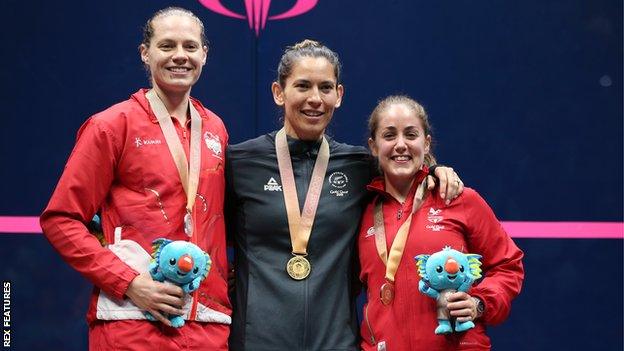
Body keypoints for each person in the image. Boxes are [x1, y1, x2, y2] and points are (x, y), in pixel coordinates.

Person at [225, 40, 464, 350]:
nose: (315, 98)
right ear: (278, 92)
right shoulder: (240, 162)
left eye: (325, 88)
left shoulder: (360, 167)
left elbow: (405, 169)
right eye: (302, 86)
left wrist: (435, 171)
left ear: (338, 95)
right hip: (256, 341)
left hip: (336, 342)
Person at [40, 7, 231, 350]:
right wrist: (129, 283)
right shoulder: (112, 125)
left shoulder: (215, 128)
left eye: (190, 46)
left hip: (206, 324)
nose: (179, 56)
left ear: (204, 54)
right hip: (132, 323)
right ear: (145, 53)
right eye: (166, 45)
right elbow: (61, 220)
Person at [358, 95, 524, 350]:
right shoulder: (361, 210)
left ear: (426, 144)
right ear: (373, 146)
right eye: (389, 136)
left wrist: (479, 303)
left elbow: (508, 265)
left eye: (411, 135)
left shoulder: (459, 199)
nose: (400, 145)